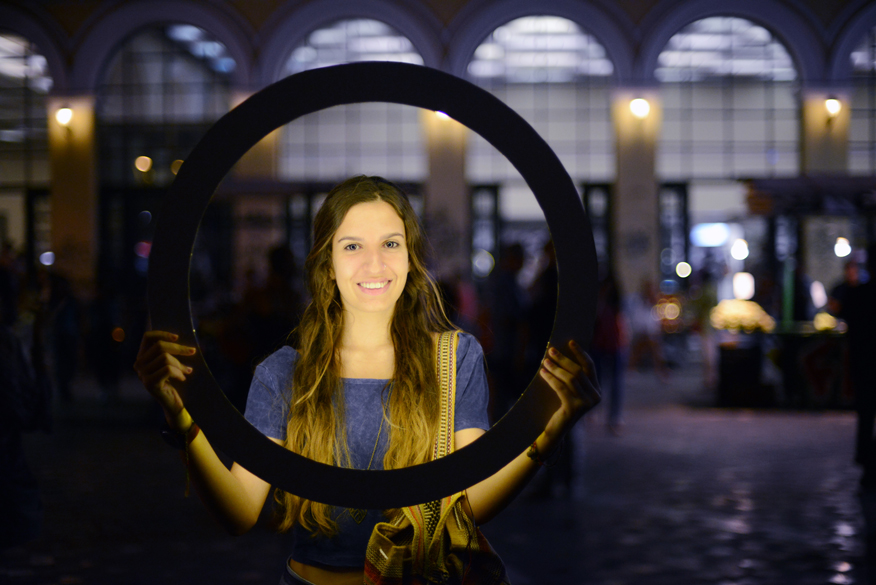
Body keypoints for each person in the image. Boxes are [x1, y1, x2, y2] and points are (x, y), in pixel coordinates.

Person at [134, 176, 600, 585]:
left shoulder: (455, 358)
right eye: (353, 246)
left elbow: (470, 500)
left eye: (390, 244)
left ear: (411, 257)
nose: (374, 265)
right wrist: (181, 417)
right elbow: (239, 510)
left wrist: (551, 430)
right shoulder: (283, 373)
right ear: (327, 262)